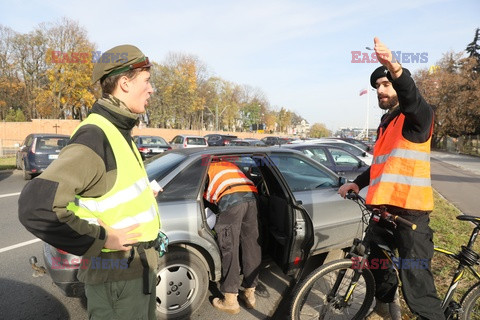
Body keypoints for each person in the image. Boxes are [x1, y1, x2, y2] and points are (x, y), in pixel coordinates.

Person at [18, 45, 161, 320]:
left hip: (136, 275)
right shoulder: (97, 135)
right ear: (125, 83)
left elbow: (104, 197)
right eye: (147, 80)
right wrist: (104, 238)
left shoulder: (120, 132)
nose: (152, 89)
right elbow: (36, 207)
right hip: (117, 283)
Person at [338, 37, 445, 320]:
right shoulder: (387, 124)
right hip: (383, 212)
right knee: (377, 266)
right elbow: (380, 167)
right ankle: (385, 308)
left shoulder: (418, 118)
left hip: (410, 216)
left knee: (418, 289)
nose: (380, 91)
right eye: (377, 87)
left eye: (386, 84)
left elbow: (412, 98)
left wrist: (396, 69)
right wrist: (357, 183)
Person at [203, 159, 261, 314]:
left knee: (230, 247)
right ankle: (249, 294)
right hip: (251, 198)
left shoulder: (206, 167)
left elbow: (202, 193)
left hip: (230, 201)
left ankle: (230, 300)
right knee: (251, 246)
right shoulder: (230, 164)